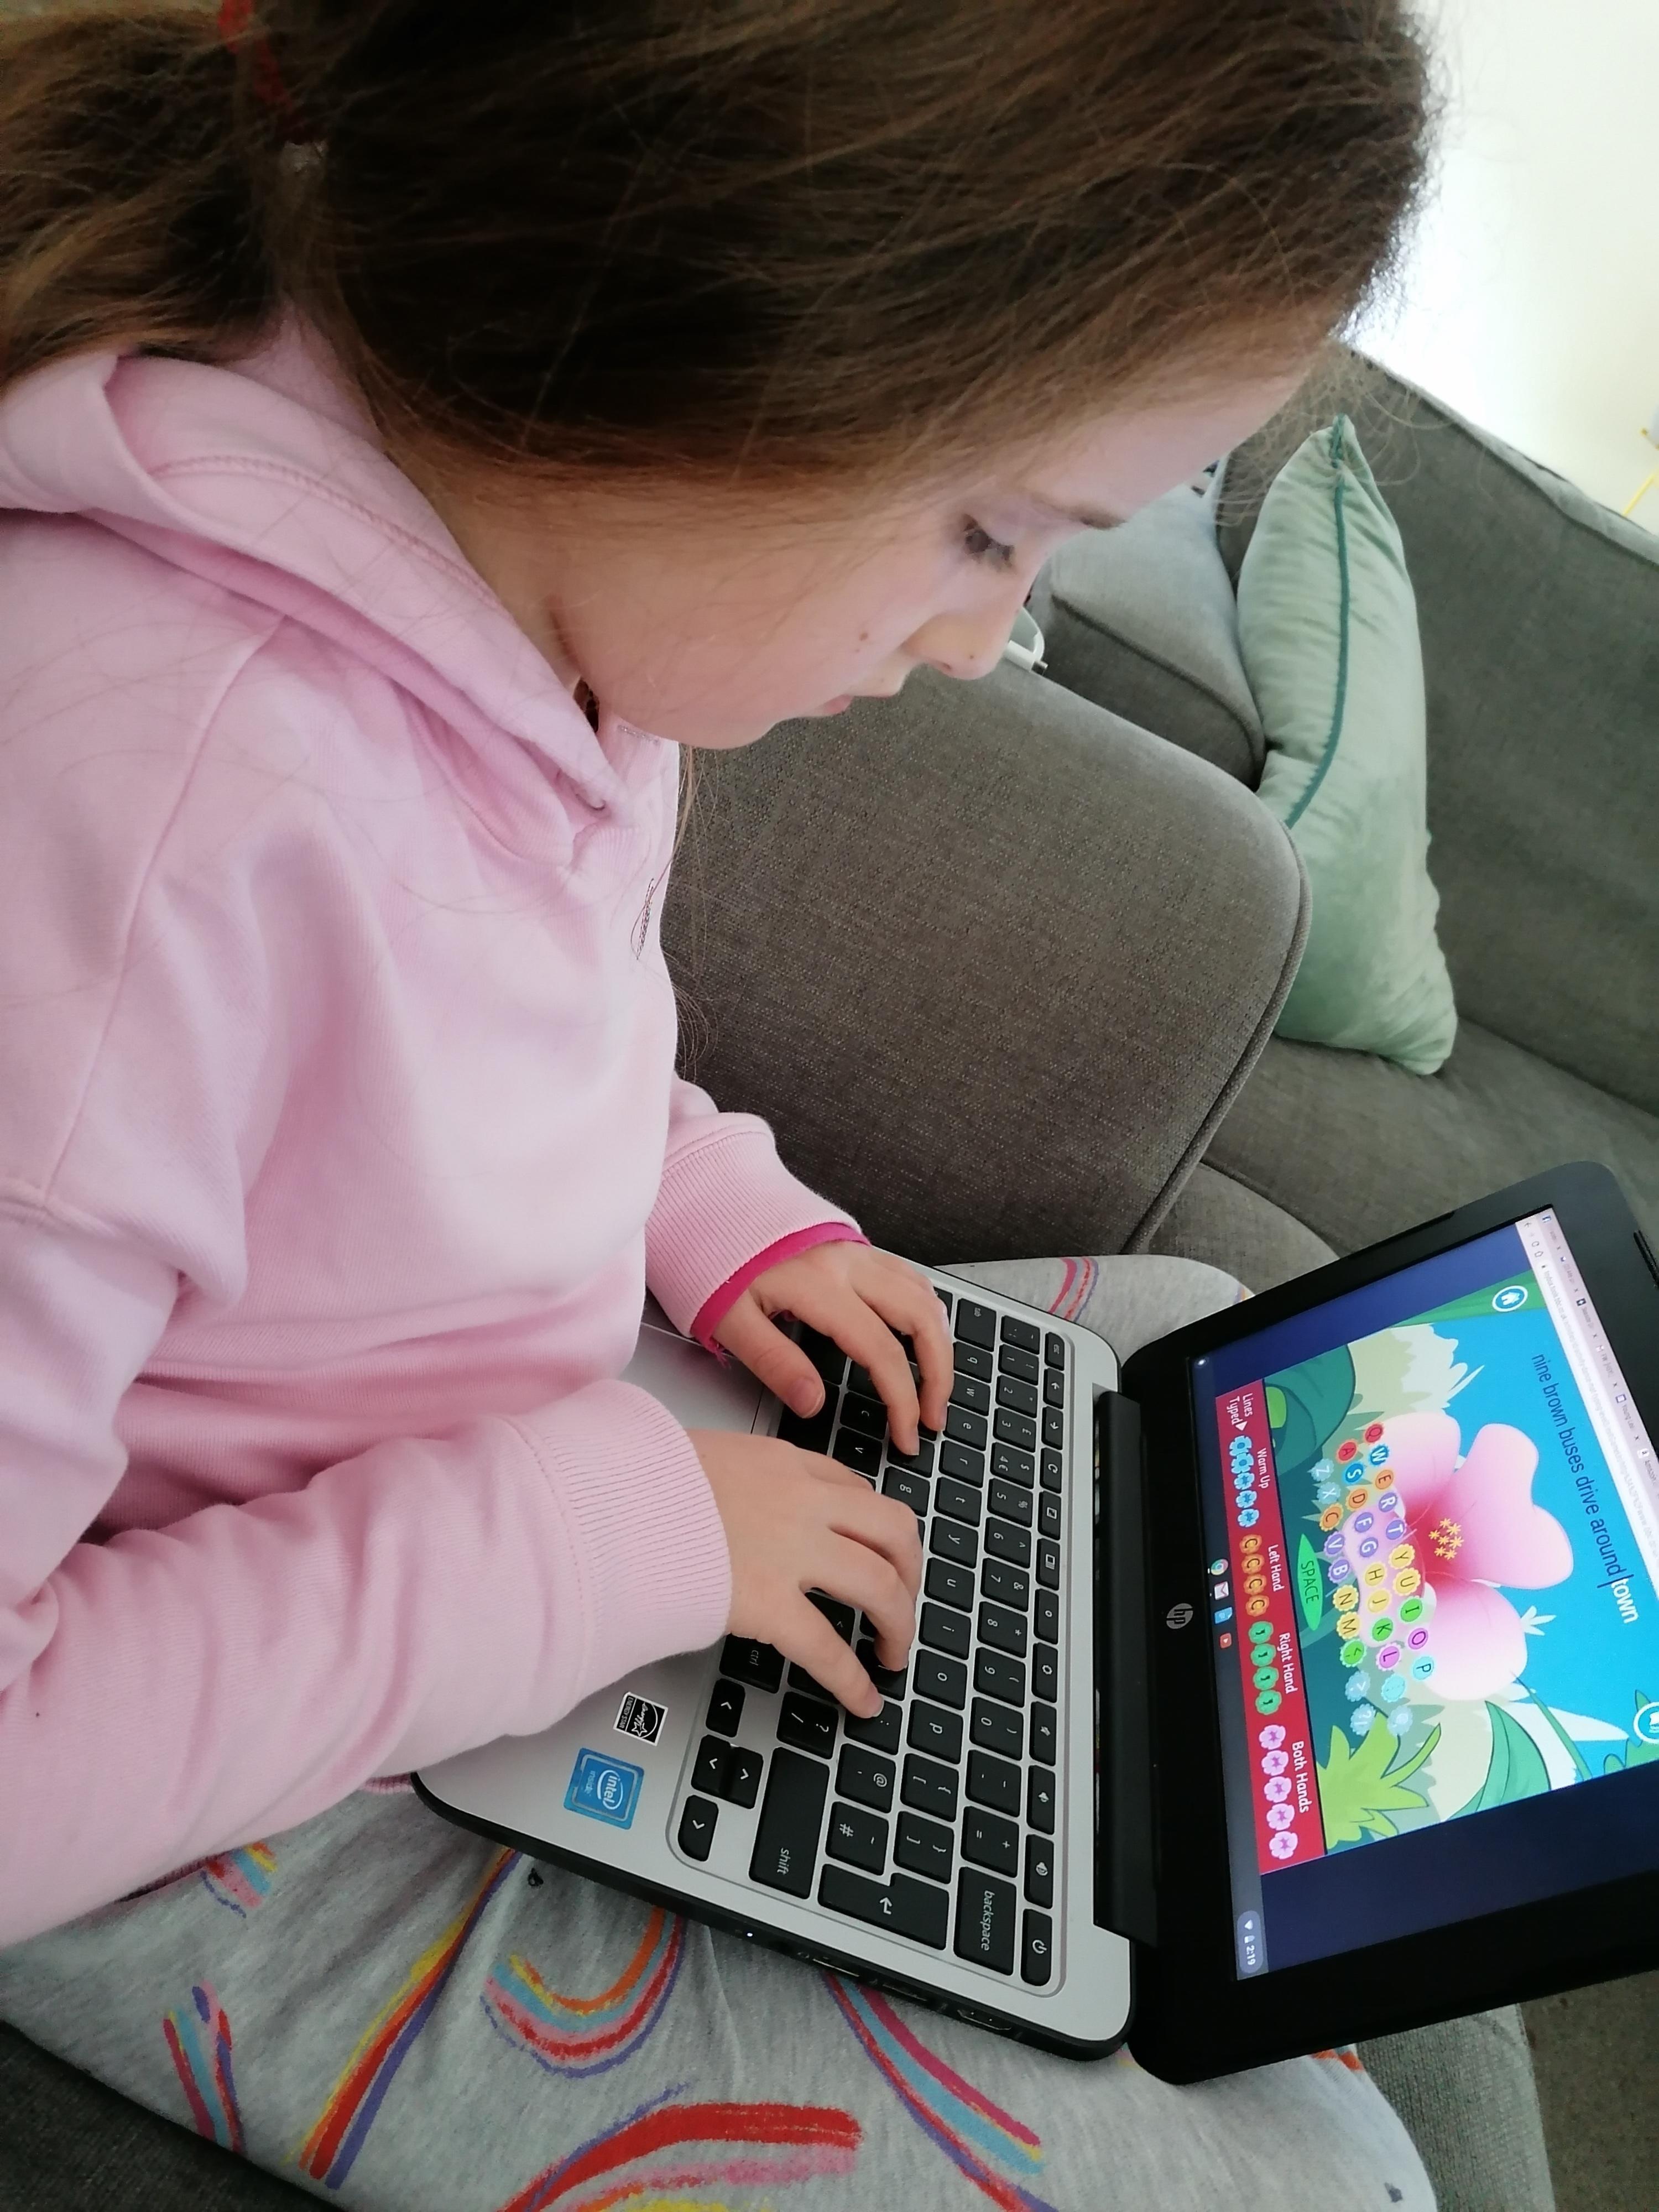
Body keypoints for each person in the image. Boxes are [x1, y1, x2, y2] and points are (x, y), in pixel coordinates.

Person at [0, 3, 1439, 2204]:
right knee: (1319, 2186)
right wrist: (595, 1538)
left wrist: (703, 1201)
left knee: (1174, 1351)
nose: (984, 640)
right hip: (211, 1787)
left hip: (480, 1507)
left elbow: (477, 1051)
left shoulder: (536, 607)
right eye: (992, 533)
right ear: (678, 322)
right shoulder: (142, 815)